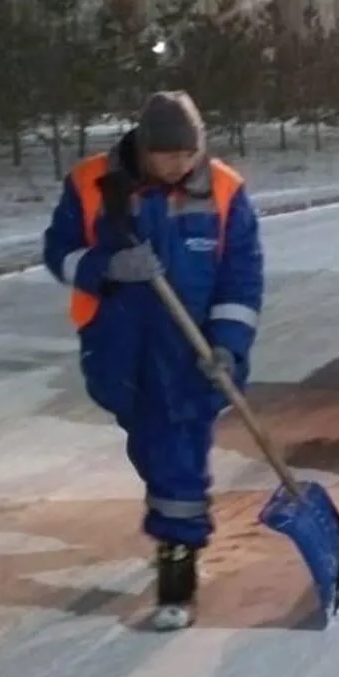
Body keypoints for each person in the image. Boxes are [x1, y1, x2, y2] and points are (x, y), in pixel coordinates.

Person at [42, 90, 264, 621]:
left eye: (190, 154)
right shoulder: (92, 183)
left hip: (193, 352)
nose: (182, 165)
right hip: (117, 346)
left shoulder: (226, 191)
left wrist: (228, 346)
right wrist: (106, 266)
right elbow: (59, 253)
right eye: (170, 156)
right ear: (145, 149)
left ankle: (177, 570)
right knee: (151, 444)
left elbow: (242, 276)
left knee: (177, 453)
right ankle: (171, 519)